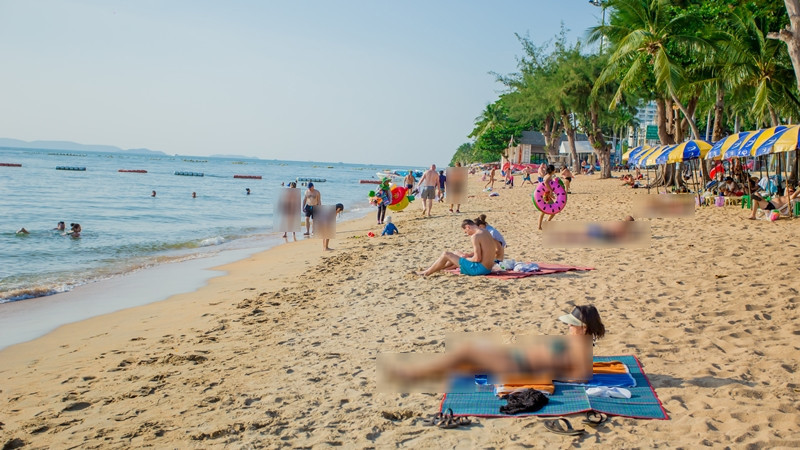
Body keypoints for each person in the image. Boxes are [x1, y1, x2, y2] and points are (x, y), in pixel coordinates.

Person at [382, 305, 604, 385]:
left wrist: (549, 374)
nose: (567, 327)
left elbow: (584, 377)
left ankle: (414, 372)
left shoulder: (581, 346)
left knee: (468, 354)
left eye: (571, 325)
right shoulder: (578, 339)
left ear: (583, 328)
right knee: (469, 357)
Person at [416, 219, 495, 276]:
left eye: (466, 231)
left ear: (468, 227)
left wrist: (465, 258)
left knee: (446, 254)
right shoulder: (485, 232)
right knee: (456, 253)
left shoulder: (475, 236)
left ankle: (426, 273)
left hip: (479, 269)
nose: (467, 234)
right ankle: (435, 268)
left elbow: (477, 259)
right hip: (488, 269)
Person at [538, 165, 561, 230]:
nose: (555, 171)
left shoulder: (547, 175)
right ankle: (546, 223)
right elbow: (545, 183)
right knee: (553, 211)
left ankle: (540, 226)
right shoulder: (548, 176)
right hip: (546, 195)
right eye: (554, 169)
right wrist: (551, 191)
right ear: (552, 170)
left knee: (543, 212)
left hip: (546, 195)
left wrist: (551, 194)